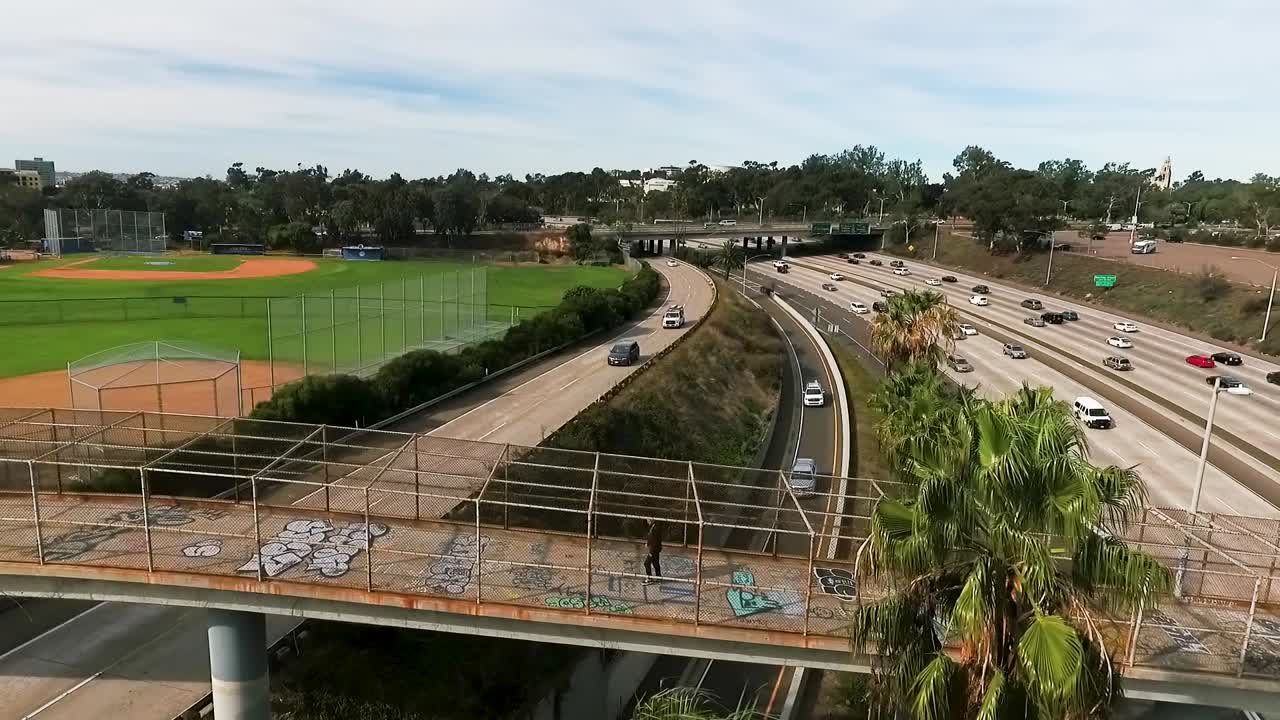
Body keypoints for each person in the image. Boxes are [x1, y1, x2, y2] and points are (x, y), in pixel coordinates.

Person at [643, 518, 663, 585]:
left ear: (652, 520)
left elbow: (655, 541)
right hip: (655, 549)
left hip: (654, 549)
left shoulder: (655, 528)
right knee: (655, 563)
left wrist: (651, 552)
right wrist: (648, 543)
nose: (647, 522)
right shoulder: (653, 527)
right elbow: (651, 538)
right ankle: (658, 577)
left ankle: (649, 578)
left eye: (648, 520)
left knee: (646, 563)